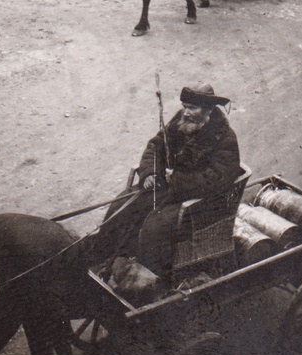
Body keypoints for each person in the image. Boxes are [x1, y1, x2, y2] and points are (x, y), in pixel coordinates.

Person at [92, 84, 241, 281]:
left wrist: (177, 180)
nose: (186, 113)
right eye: (184, 106)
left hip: (193, 201)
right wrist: (150, 173)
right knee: (123, 204)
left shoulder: (225, 139)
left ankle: (149, 278)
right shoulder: (180, 122)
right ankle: (105, 257)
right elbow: (156, 146)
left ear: (209, 110)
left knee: (155, 227)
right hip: (166, 187)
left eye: (192, 108)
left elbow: (215, 180)